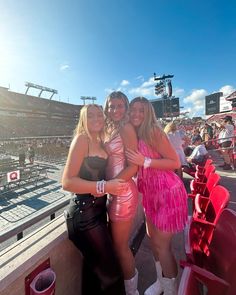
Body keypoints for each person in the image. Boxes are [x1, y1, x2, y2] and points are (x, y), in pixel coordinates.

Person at [62, 104, 126, 295]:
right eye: (91, 116)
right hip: (83, 216)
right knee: (112, 274)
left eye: (99, 115)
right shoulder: (82, 140)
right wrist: (104, 186)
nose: (97, 118)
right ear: (83, 120)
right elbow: (67, 182)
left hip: (97, 213)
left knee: (93, 273)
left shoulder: (100, 141)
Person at [126, 97, 188, 295]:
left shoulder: (153, 131)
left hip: (168, 194)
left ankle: (171, 290)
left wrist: (145, 161)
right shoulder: (135, 133)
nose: (136, 114)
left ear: (149, 113)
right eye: (133, 109)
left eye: (141, 110)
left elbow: (174, 162)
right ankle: (161, 282)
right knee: (153, 242)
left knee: (163, 247)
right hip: (151, 195)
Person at [103, 91, 139, 295]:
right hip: (114, 190)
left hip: (123, 192)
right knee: (117, 245)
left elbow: (134, 166)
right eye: (111, 106)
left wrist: (111, 185)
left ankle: (132, 291)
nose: (115, 110)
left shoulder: (125, 127)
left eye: (119, 106)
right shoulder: (110, 128)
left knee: (120, 247)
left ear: (125, 108)